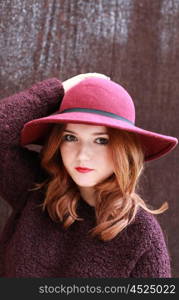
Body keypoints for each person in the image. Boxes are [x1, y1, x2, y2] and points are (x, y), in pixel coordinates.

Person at [0, 73, 178, 278]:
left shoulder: (141, 234)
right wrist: (57, 91)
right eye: (70, 137)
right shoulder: (35, 190)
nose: (82, 155)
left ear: (125, 150)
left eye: (101, 140)